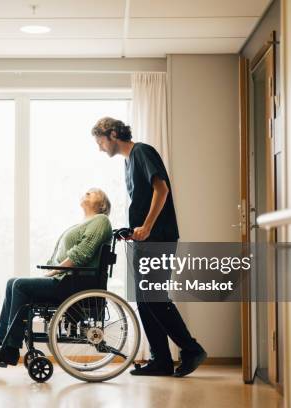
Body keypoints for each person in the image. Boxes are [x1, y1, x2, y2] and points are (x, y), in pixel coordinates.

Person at [92, 117, 206, 377]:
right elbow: (143, 201)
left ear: (112, 134)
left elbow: (162, 189)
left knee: (154, 298)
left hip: (158, 237)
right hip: (145, 239)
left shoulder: (142, 151)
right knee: (144, 300)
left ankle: (191, 349)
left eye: (100, 141)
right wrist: (132, 230)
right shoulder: (127, 162)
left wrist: (148, 227)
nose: (100, 148)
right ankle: (161, 360)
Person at [0, 188, 113, 366]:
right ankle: (0, 341)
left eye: (92, 193)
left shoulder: (101, 220)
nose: (86, 193)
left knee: (20, 285)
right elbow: (61, 254)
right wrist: (51, 270)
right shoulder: (82, 223)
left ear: (102, 204)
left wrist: (54, 271)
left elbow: (82, 253)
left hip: (75, 284)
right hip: (67, 280)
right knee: (12, 282)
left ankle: (10, 349)